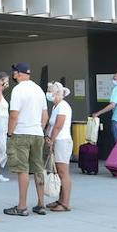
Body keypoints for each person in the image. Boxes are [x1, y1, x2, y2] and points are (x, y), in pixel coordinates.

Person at [3, 63, 49, 216]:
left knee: (22, 169)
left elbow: (14, 115)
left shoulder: (18, 90)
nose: (13, 74)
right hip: (37, 133)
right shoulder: (38, 90)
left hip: (21, 133)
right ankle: (41, 204)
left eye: (14, 72)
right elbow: (45, 116)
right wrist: (39, 129)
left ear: (19, 73)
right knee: (38, 169)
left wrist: (10, 133)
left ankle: (22, 207)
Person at [45, 82, 73, 212]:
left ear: (57, 93)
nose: (48, 93)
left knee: (62, 172)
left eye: (50, 91)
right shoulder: (56, 106)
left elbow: (58, 126)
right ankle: (61, 200)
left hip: (62, 141)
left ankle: (65, 202)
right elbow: (51, 124)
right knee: (59, 171)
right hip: (57, 141)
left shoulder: (63, 106)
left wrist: (52, 139)